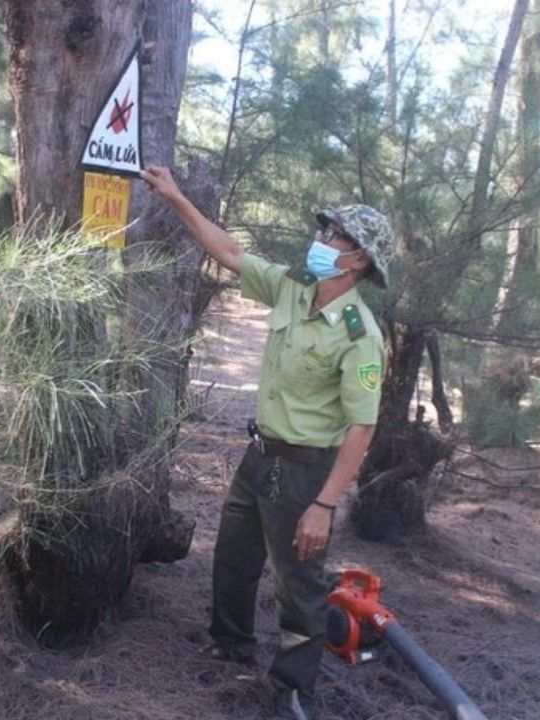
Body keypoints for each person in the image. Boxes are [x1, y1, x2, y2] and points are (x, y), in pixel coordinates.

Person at [140, 165, 395, 720]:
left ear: (357, 261)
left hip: (306, 474)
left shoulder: (359, 334)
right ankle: (229, 645)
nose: (321, 242)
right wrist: (178, 198)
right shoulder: (293, 286)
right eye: (324, 231)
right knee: (232, 559)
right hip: (260, 457)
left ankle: (293, 693)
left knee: (299, 588)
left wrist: (324, 505)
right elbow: (230, 253)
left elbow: (362, 427)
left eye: (334, 237)